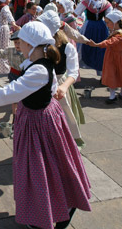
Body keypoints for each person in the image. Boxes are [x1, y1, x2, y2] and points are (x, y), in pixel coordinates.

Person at [0, 22, 92, 229]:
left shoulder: (39, 70)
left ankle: (56, 209)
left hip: (39, 124)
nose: (18, 45)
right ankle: (49, 208)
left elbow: (9, 92)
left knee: (41, 168)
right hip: (39, 119)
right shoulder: (36, 64)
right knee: (44, 167)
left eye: (21, 42)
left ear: (32, 44)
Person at [37, 10, 85, 146]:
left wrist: (64, 86)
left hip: (60, 84)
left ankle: (65, 146)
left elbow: (73, 72)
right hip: (42, 85)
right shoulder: (39, 45)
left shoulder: (67, 47)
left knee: (64, 117)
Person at [87, 11, 122, 104]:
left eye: (108, 22)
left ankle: (113, 96)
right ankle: (121, 93)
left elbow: (111, 42)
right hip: (117, 56)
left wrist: (97, 44)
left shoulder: (119, 34)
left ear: (115, 22)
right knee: (120, 74)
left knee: (113, 75)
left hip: (116, 57)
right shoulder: (117, 32)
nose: (107, 24)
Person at [74, 0, 112, 75]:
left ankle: (102, 72)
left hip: (101, 27)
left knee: (101, 49)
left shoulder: (106, 4)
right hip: (89, 26)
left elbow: (109, 16)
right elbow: (76, 13)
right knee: (84, 48)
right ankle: (76, 73)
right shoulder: (86, 2)